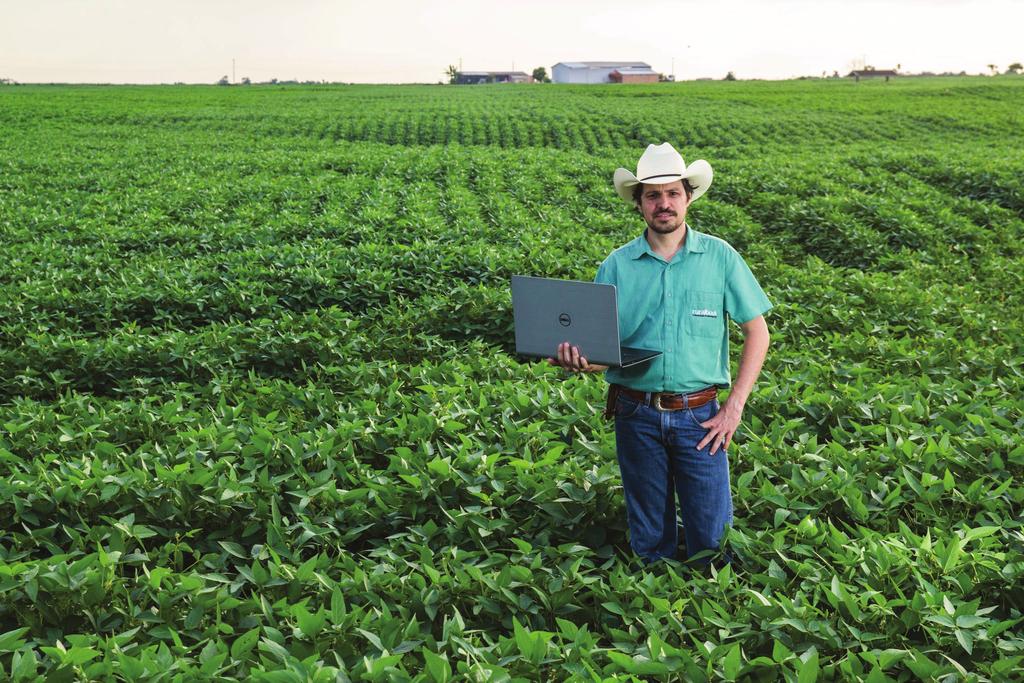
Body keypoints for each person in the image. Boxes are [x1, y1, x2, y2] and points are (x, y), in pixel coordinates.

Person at [549, 142, 771, 565]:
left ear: (688, 198)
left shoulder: (720, 257)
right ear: (639, 204)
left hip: (701, 417)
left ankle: (706, 617)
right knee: (649, 540)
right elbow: (605, 351)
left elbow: (756, 332)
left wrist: (734, 407)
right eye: (653, 195)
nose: (663, 204)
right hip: (636, 414)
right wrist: (578, 360)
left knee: (713, 540)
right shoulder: (617, 265)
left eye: (672, 193)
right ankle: (655, 617)